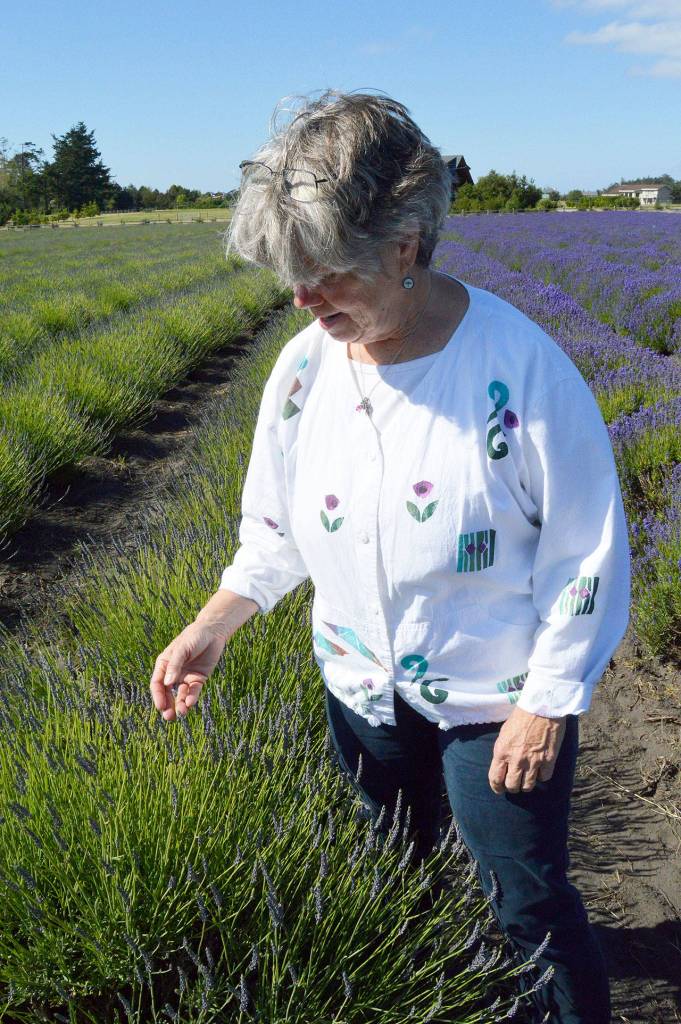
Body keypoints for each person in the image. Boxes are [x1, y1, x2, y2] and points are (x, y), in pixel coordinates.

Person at [150, 91, 630, 1023]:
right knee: (391, 865)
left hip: (494, 696)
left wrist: (546, 704)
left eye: (323, 271)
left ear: (404, 245)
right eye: (289, 274)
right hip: (360, 682)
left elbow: (586, 553)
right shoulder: (302, 370)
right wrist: (212, 626)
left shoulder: (521, 368)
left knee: (526, 898)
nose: (300, 299)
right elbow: (275, 529)